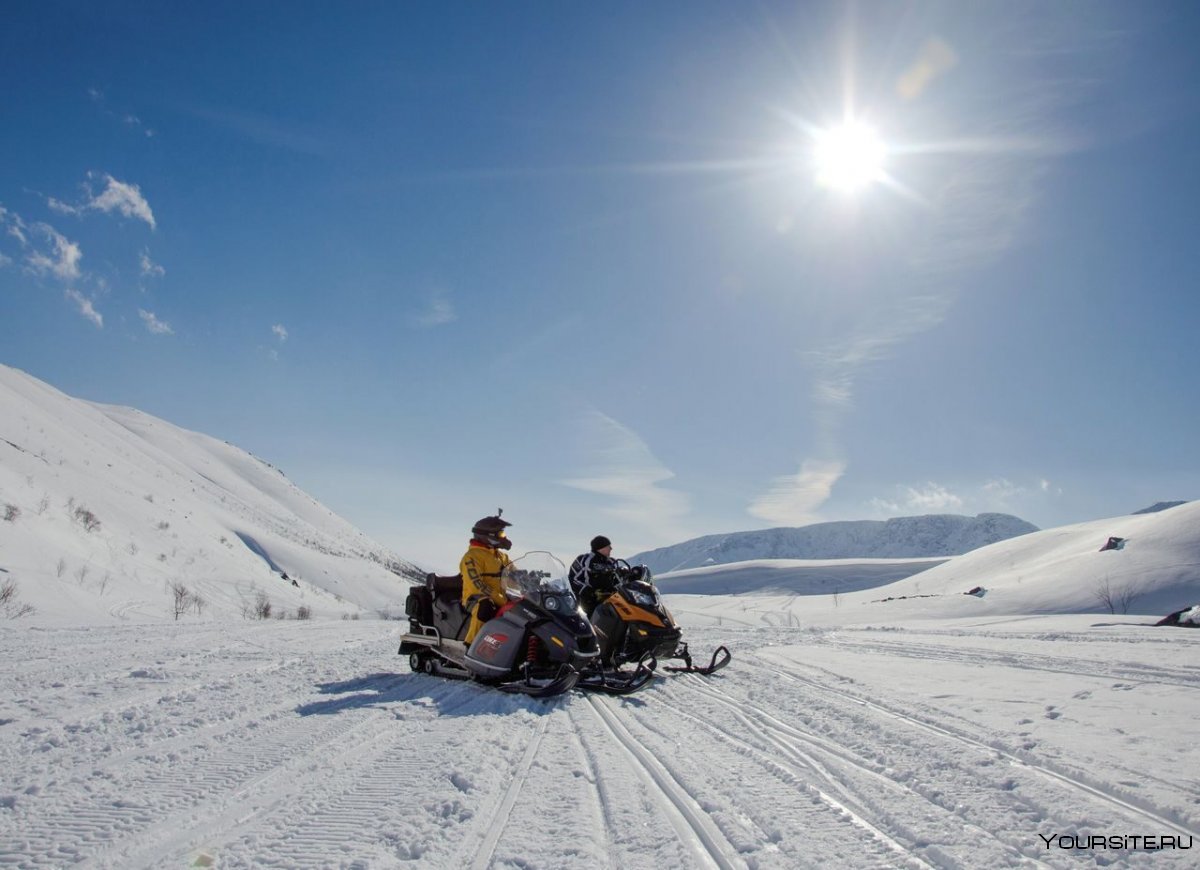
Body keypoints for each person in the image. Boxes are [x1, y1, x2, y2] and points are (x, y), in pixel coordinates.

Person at [460, 512, 513, 644]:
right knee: (484, 607)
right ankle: (471, 645)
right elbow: (477, 585)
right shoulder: (472, 556)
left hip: (501, 597)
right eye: (501, 534)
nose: (504, 537)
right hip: (475, 598)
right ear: (488, 536)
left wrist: (530, 579)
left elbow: (514, 575)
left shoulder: (501, 556)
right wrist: (501, 599)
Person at [569, 535, 620, 616]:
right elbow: (573, 578)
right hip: (588, 601)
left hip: (610, 600)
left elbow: (618, 580)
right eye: (608, 546)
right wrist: (589, 592)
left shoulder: (611, 562)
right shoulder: (585, 560)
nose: (611, 548)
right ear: (601, 548)